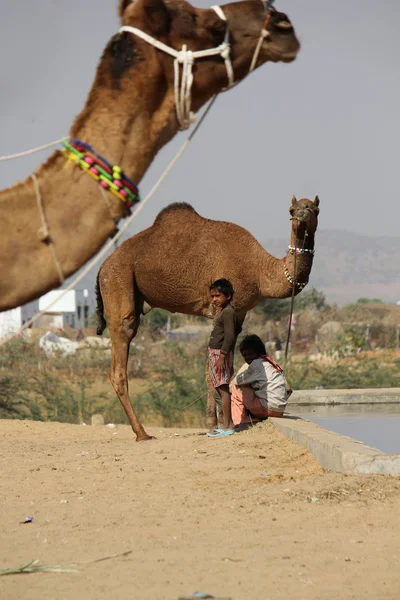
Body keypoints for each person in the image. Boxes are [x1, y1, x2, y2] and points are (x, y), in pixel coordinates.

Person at [207, 278, 241, 438]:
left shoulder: (228, 312)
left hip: (220, 354)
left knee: (223, 389)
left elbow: (229, 336)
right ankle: (227, 425)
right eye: (212, 296)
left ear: (228, 296)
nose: (214, 299)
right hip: (218, 354)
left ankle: (228, 425)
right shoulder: (226, 311)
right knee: (221, 388)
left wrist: (222, 357)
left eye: (217, 296)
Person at [230, 334, 287, 427]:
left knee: (236, 388)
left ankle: (240, 422)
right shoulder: (269, 362)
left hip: (268, 408)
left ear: (258, 353)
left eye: (250, 354)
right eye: (245, 355)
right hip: (279, 411)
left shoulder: (256, 364)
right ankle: (252, 418)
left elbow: (236, 381)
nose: (247, 358)